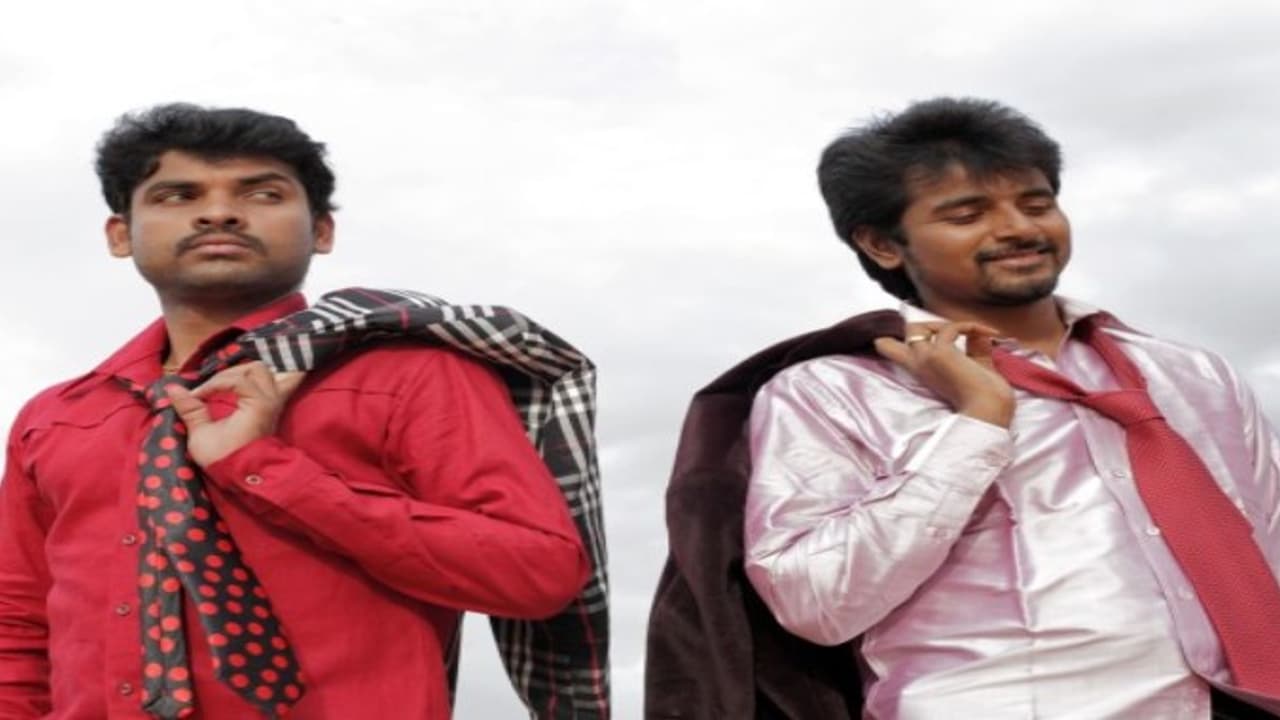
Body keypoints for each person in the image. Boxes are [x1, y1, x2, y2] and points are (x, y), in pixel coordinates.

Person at [645, 97, 1278, 719]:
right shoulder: (831, 391)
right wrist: (976, 425)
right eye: (967, 214)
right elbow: (814, 602)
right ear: (883, 244)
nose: (1019, 229)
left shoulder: (1192, 377)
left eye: (1037, 204)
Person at [0, 104, 606, 719]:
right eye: (177, 195)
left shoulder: (412, 375)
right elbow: (17, 623)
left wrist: (266, 470)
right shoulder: (57, 417)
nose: (219, 213)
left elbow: (538, 574)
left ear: (321, 231)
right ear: (119, 235)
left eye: (263, 194)